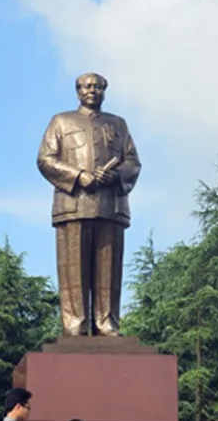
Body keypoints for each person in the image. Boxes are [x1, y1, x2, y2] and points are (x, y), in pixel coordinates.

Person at [36, 72, 142, 336]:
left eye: (97, 87)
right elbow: (45, 159)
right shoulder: (61, 121)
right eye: (87, 86)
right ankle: (75, 324)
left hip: (110, 206)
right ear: (78, 91)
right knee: (73, 269)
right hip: (73, 204)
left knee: (109, 270)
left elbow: (132, 162)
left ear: (104, 91)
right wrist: (78, 176)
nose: (92, 90)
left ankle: (107, 323)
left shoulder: (118, 124)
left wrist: (115, 176)